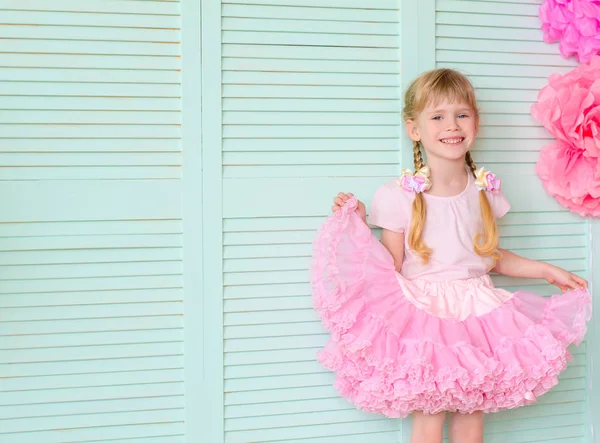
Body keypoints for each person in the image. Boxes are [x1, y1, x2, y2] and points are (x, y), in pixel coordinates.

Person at [310, 69, 592, 443]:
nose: (452, 125)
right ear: (415, 129)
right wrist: (358, 223)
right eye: (437, 116)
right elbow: (390, 266)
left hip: (478, 313)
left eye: (461, 114)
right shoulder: (397, 195)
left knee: (471, 418)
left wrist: (544, 270)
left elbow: (487, 256)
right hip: (425, 314)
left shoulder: (484, 190)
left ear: (476, 121)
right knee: (429, 419)